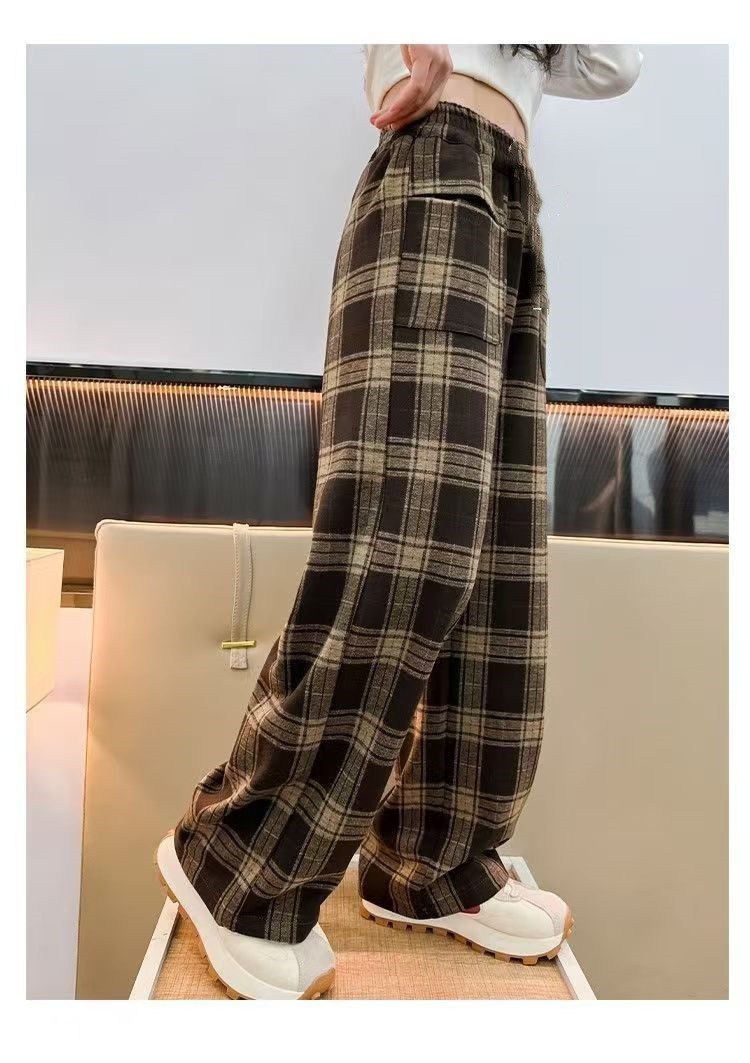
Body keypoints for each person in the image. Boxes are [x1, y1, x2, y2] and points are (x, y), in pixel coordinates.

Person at [156, 43, 643, 1000]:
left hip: (508, 195)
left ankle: (431, 860)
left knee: (495, 561)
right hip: (435, 167)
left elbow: (615, 62)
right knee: (407, 546)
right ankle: (236, 858)